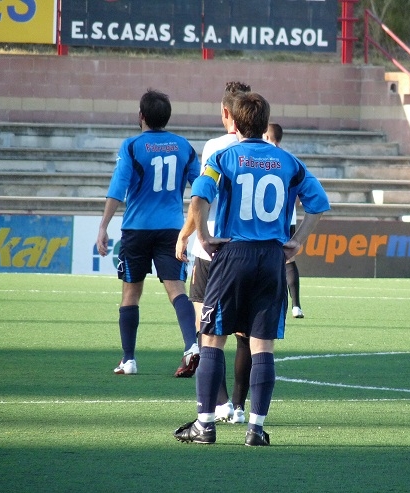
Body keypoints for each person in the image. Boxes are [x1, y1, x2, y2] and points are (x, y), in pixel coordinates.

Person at [173, 91, 330, 446]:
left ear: (235, 121)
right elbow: (318, 203)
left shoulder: (223, 157)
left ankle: (205, 425)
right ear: (264, 123)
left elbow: (199, 197)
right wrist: (298, 240)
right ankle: (255, 429)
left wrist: (206, 236)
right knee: (262, 346)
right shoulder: (288, 161)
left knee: (212, 336)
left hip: (234, 254)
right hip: (272, 258)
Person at [96, 89, 201, 377]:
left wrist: (103, 226)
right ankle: (191, 346)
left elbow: (118, 189)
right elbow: (201, 189)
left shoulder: (131, 146)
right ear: (166, 117)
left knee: (131, 293)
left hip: (137, 230)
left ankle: (128, 359)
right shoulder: (184, 147)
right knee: (177, 291)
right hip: (171, 229)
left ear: (141, 116)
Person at [176, 81, 252, 424]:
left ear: (226, 113)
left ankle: (219, 406)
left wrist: (186, 235)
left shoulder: (216, 147)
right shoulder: (265, 148)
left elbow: (201, 201)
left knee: (207, 331)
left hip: (214, 252)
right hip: (252, 251)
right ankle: (237, 405)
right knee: (246, 335)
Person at [264, 122, 304, 318]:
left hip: (266, 219)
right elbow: (298, 197)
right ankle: (296, 306)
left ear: (268, 137)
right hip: (288, 219)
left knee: (266, 259)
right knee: (289, 260)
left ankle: (272, 306)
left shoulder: (263, 157)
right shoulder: (290, 160)